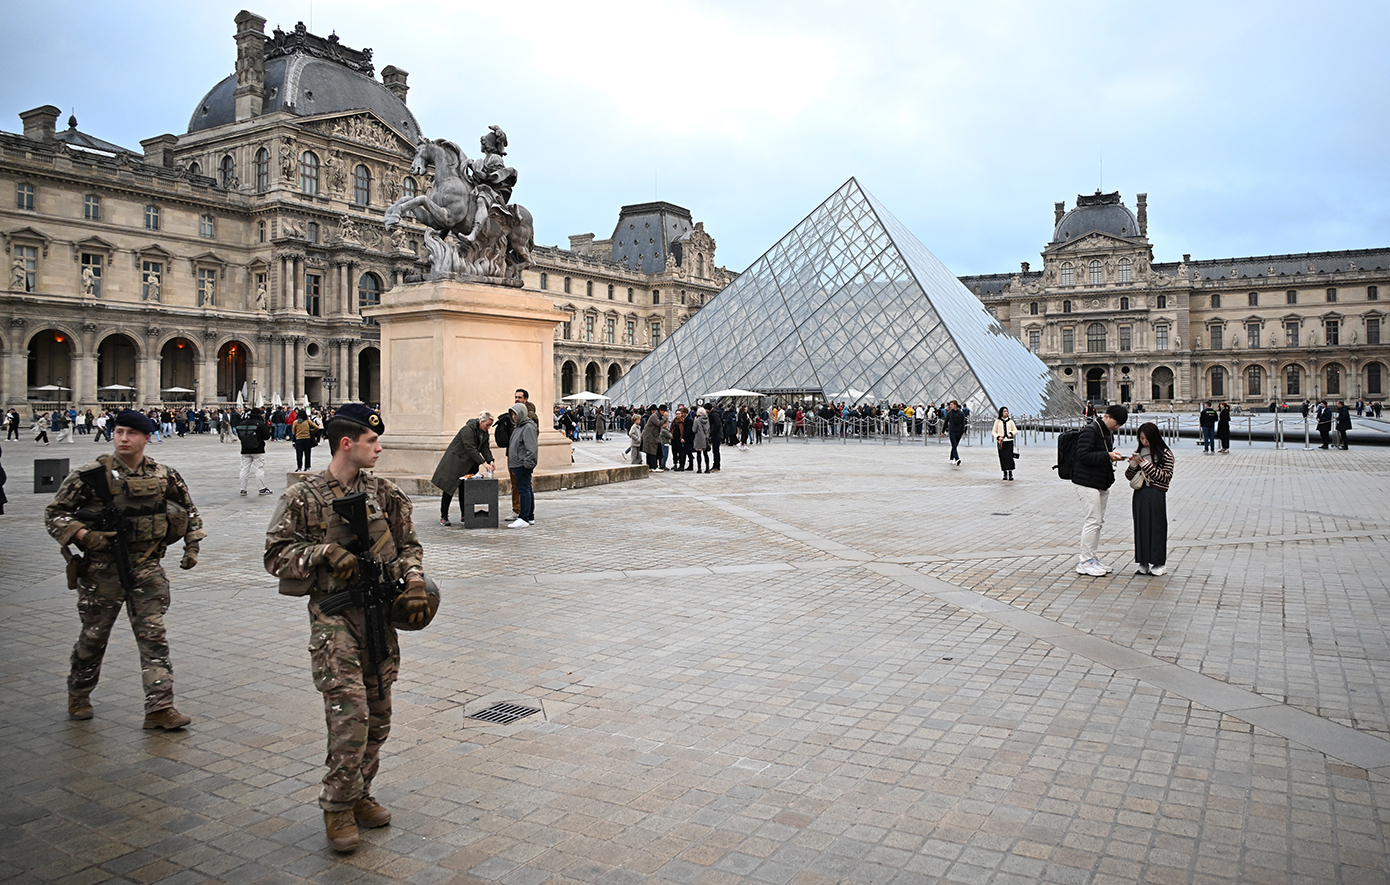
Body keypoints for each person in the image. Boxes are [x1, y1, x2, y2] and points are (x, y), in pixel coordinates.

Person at [264, 404, 428, 853]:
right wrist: (320, 553)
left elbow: (409, 545)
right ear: (346, 443)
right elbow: (274, 555)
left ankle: (360, 793)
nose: (379, 448)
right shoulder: (304, 497)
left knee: (379, 716)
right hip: (334, 618)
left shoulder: (385, 493)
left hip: (379, 617)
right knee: (350, 715)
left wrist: (413, 582)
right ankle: (337, 808)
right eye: (372, 441)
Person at [45, 409, 204, 728]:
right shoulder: (91, 474)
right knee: (93, 636)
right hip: (102, 571)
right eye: (118, 432)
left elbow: (188, 511)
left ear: (146, 437)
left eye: (130, 433)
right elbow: (55, 513)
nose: (123, 438)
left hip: (146, 567)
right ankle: (79, 693)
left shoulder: (163, 474)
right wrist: (84, 535)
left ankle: (159, 707)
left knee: (153, 637)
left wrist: (192, 546)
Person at [1072, 404, 1128, 577]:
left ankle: (1091, 558)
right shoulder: (1091, 430)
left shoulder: (1106, 432)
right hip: (1086, 481)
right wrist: (1107, 455)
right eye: (1116, 423)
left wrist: (1112, 456)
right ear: (1108, 416)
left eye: (1120, 425)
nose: (1117, 427)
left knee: (1098, 522)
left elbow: (1100, 453)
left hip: (1100, 481)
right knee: (1093, 521)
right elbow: (1082, 455)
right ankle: (1084, 561)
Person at [1125, 422, 1175, 576]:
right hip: (1140, 493)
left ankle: (1159, 563)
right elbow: (1128, 477)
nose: (1144, 442)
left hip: (1156, 494)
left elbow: (1165, 477)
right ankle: (1143, 562)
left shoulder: (1166, 454)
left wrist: (1146, 465)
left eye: (1146, 439)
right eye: (1141, 438)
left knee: (1157, 527)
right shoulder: (1139, 451)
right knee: (1141, 527)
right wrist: (1133, 465)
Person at [432, 411, 494, 526]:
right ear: (481, 422)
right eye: (487, 425)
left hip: (470, 464)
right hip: (456, 462)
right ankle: (444, 516)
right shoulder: (467, 430)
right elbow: (470, 448)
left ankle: (465, 515)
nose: (489, 427)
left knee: (465, 489)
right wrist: (484, 463)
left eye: (490, 425)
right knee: (449, 488)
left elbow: (485, 448)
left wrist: (490, 460)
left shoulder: (484, 433)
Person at [507, 389, 539, 520]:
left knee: (524, 488)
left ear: (525, 399)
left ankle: (524, 515)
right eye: (515, 397)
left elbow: (531, 446)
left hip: (522, 461)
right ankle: (522, 513)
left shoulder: (528, 422)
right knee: (519, 487)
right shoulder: (518, 422)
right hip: (516, 459)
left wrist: (527, 463)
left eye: (519, 397)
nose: (516, 399)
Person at [236, 407, 273, 495]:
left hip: (245, 449)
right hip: (258, 449)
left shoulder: (243, 423)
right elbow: (267, 436)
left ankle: (243, 489)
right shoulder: (260, 424)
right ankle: (262, 488)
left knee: (244, 469)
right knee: (259, 469)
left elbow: (240, 436)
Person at [992, 406, 1018, 481]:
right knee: (1002, 457)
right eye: (1004, 411)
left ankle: (1010, 473)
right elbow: (993, 431)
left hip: (1009, 442)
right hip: (1001, 442)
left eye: (1007, 411)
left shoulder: (1011, 422)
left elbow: (1015, 430)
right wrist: (997, 437)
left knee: (1009, 457)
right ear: (1001, 412)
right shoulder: (997, 422)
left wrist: (1011, 433)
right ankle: (1004, 473)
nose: (1006, 412)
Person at [641, 405, 665, 472]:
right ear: (661, 410)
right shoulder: (654, 416)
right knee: (652, 451)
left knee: (650, 451)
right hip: (650, 436)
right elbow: (659, 424)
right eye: (664, 411)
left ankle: (650, 466)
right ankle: (653, 467)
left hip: (651, 436)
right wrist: (665, 418)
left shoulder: (656, 416)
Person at [944, 400, 966, 465]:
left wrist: (962, 431)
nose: (951, 406)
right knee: (954, 445)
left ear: (955, 405)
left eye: (952, 405)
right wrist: (943, 431)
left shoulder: (961, 413)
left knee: (954, 446)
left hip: (959, 431)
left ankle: (951, 458)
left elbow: (963, 423)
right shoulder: (949, 413)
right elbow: (946, 422)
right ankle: (957, 459)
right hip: (952, 431)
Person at [692, 407, 711, 473]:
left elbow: (694, 430)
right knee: (706, 454)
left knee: (699, 454)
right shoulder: (707, 420)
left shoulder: (697, 420)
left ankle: (699, 469)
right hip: (705, 438)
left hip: (699, 438)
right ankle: (707, 468)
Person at [706, 404, 723, 471]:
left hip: (716, 435)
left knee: (715, 451)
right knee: (715, 451)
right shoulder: (714, 414)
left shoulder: (713, 415)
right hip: (717, 434)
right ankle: (716, 465)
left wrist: (712, 432)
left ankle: (716, 466)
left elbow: (717, 425)